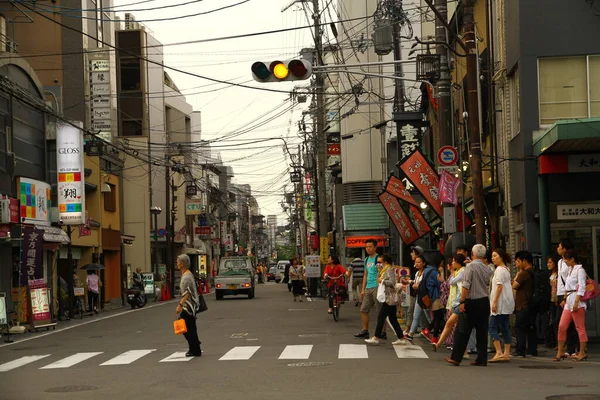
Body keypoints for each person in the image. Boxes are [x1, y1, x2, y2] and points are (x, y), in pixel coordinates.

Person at [445, 244, 493, 367]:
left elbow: (466, 285)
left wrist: (462, 301)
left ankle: (456, 357)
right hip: (484, 301)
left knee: (462, 330)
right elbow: (487, 282)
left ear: (472, 254)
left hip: (471, 301)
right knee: (482, 331)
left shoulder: (469, 267)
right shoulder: (488, 268)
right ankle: (481, 359)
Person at [365, 254, 407, 346]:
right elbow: (378, 280)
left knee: (381, 317)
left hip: (389, 297)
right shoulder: (383, 270)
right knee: (392, 319)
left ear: (386, 262)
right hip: (387, 297)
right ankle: (401, 338)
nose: (378, 264)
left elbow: (392, 282)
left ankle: (376, 337)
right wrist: (379, 273)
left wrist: (383, 281)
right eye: (377, 262)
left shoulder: (389, 270)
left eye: (380, 262)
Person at [554, 250, 588, 362]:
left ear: (572, 259)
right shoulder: (569, 270)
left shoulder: (580, 270)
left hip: (576, 299)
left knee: (580, 327)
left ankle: (582, 352)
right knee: (562, 326)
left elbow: (582, 287)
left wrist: (577, 302)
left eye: (566, 259)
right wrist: (564, 298)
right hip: (568, 298)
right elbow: (567, 285)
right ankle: (560, 351)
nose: (564, 261)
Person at [488, 249, 515, 363]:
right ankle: (506, 353)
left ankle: (499, 352)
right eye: (492, 256)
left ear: (501, 257)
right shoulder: (506, 269)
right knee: (505, 327)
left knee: (492, 327)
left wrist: (494, 302)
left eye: (495, 256)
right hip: (507, 302)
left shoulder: (499, 270)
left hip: (500, 303)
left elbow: (499, 287)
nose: (493, 258)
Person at [354, 239, 384, 339]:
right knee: (363, 309)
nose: (368, 249)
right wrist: (362, 289)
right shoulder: (366, 259)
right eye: (366, 247)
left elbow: (381, 272)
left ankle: (382, 332)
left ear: (375, 247)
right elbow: (365, 275)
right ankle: (365, 330)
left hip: (377, 287)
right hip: (368, 288)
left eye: (370, 247)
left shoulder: (378, 259)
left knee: (380, 311)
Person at [555, 239, 579, 356]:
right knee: (561, 323)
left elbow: (571, 281)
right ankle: (565, 348)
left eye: (559, 246)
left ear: (564, 248)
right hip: (561, 294)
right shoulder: (560, 262)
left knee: (573, 324)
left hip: (569, 295)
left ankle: (574, 348)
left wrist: (566, 297)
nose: (558, 249)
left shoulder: (571, 264)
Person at [512, 250, 537, 357]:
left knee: (519, 328)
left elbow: (514, 285)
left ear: (524, 261)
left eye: (518, 261)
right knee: (530, 327)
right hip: (530, 304)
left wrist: (517, 274)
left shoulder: (524, 273)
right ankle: (532, 349)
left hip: (522, 305)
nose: (516, 264)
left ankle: (520, 350)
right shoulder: (533, 272)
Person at [175, 254, 202, 357]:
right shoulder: (187, 274)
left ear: (182, 264)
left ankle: (194, 346)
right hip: (190, 305)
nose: (177, 264)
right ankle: (195, 347)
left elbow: (187, 292)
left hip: (189, 306)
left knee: (185, 326)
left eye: (178, 262)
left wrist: (180, 305)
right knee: (190, 328)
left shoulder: (186, 276)